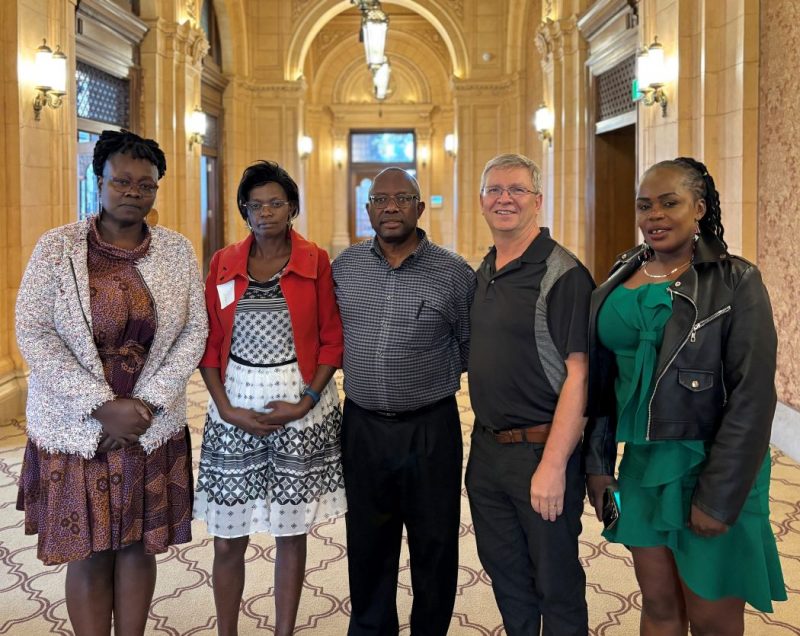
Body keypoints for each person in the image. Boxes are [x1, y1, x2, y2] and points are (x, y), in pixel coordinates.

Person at [15, 129, 208, 636]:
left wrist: (142, 404)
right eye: (121, 181)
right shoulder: (57, 247)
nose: (133, 193)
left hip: (149, 422)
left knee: (137, 544)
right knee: (91, 550)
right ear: (98, 181)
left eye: (145, 185)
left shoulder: (177, 251)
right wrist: (103, 405)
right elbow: (33, 330)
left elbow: (194, 331)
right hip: (77, 425)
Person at [584, 156, 787, 634]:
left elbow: (753, 398)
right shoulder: (622, 271)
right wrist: (597, 463)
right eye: (644, 205)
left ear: (699, 207)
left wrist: (718, 497)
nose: (653, 215)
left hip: (710, 464)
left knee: (711, 615)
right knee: (657, 605)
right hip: (643, 465)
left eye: (669, 202)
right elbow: (600, 382)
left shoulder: (736, 280)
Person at [193, 160, 346, 636]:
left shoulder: (314, 260)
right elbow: (210, 344)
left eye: (275, 202)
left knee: (289, 530)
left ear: (293, 207)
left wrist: (306, 400)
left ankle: (283, 631)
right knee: (226, 537)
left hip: (299, 405)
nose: (265, 212)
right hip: (234, 400)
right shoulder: (223, 262)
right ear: (244, 210)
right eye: (255, 204)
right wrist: (225, 408)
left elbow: (330, 337)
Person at [332, 167, 475, 636]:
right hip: (363, 427)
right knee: (368, 542)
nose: (390, 207)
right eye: (380, 199)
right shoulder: (345, 268)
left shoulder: (454, 273)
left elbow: (469, 347)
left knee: (434, 543)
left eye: (402, 198)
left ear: (419, 207)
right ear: (368, 208)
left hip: (431, 428)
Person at [465, 153, 594, 636]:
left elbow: (580, 377)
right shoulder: (484, 270)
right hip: (487, 453)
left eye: (517, 190)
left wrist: (554, 466)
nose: (505, 199)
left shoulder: (563, 275)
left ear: (538, 201)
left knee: (556, 585)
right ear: (481, 201)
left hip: (541, 452)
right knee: (508, 579)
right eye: (495, 190)